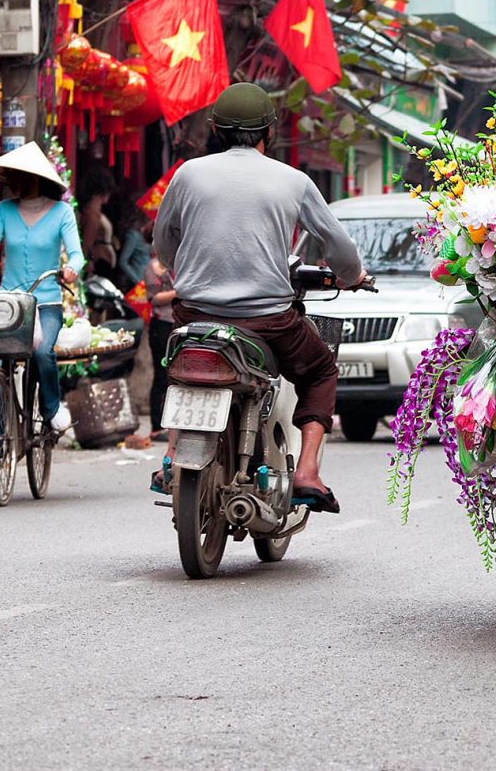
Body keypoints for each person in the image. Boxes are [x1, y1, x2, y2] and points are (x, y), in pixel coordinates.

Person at [153, 83, 365, 512]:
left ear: (214, 128)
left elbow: (163, 244)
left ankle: (173, 457)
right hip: (267, 323)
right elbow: (340, 249)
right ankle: (306, 471)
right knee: (321, 369)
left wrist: (187, 269)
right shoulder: (293, 180)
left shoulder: (186, 174)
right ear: (270, 130)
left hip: (193, 315)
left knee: (181, 371)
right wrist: (352, 276)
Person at [0, 143, 84, 432]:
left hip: (46, 303)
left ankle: (51, 408)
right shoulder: (4, 210)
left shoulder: (62, 212)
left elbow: (76, 253)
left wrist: (71, 269)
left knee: (42, 353)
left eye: (21, 175)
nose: (15, 182)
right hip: (10, 305)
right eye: (12, 175)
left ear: (37, 178)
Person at [143, 251, 176, 442]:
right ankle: (156, 426)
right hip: (161, 324)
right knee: (161, 374)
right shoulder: (154, 266)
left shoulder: (182, 262)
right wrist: (178, 292)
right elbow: (153, 298)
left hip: (177, 322)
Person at [78, 166, 117, 278]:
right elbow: (87, 243)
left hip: (102, 260)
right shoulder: (92, 214)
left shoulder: (95, 212)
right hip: (98, 262)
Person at [116, 205, 152, 290]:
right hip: (136, 282)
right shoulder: (133, 235)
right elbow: (123, 262)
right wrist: (136, 280)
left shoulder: (146, 236)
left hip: (147, 281)